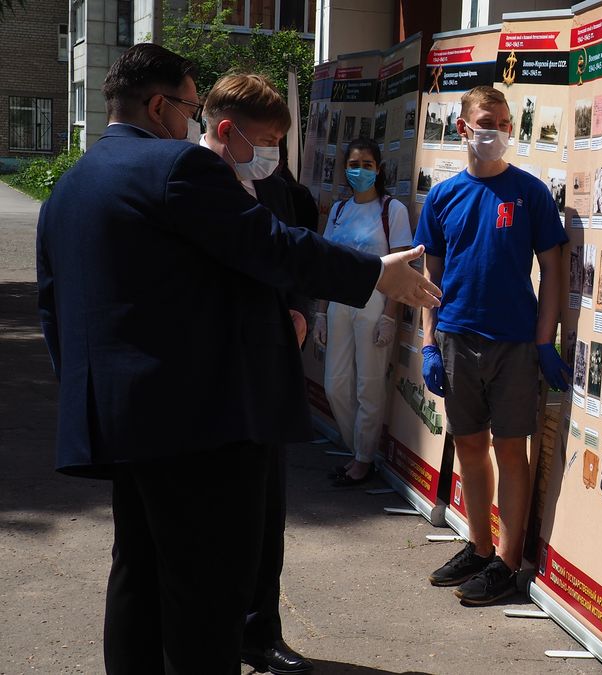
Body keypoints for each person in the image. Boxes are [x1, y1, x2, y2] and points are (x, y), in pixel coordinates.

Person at [35, 43, 439, 675]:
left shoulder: (69, 186)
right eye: (192, 107)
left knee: (137, 576)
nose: (193, 122)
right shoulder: (176, 169)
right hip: (202, 426)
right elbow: (269, 245)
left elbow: (55, 308)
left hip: (123, 425)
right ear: (161, 105)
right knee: (206, 594)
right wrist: (373, 275)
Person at [416, 85, 569, 606]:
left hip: (514, 344)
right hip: (457, 338)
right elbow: (429, 274)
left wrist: (544, 341)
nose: (499, 130)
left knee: (511, 452)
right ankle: (479, 547)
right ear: (463, 128)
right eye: (488, 121)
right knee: (470, 447)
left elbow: (553, 266)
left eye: (505, 121)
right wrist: (428, 341)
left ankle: (507, 562)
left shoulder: (529, 193)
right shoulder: (442, 196)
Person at [197, 72, 315, 675]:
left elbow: (300, 248)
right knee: (209, 520)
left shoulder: (277, 184)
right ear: (226, 129)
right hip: (205, 382)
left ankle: (258, 631)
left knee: (265, 515)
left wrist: (300, 310)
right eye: (265, 141)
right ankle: (207, 637)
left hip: (268, 373)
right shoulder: (182, 183)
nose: (273, 155)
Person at [311, 138, 413, 486]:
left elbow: (401, 270)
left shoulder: (391, 210)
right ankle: (358, 448)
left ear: (379, 169)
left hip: (374, 302)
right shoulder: (339, 211)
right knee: (335, 384)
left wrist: (389, 316)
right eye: (354, 164)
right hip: (339, 300)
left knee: (369, 385)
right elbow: (323, 266)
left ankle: (363, 460)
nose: (360, 171)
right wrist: (320, 313)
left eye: (367, 165)